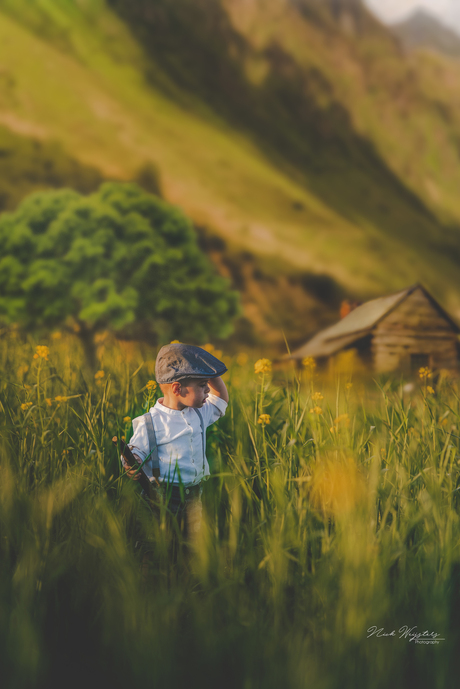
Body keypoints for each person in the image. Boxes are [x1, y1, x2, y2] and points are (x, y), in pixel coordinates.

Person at [122, 343, 229, 543]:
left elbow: (221, 397)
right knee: (157, 547)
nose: (208, 389)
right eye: (202, 384)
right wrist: (132, 462)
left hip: (193, 498)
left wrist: (209, 367)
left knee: (191, 547)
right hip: (160, 498)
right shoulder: (150, 422)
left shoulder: (199, 412)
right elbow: (133, 453)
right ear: (177, 388)